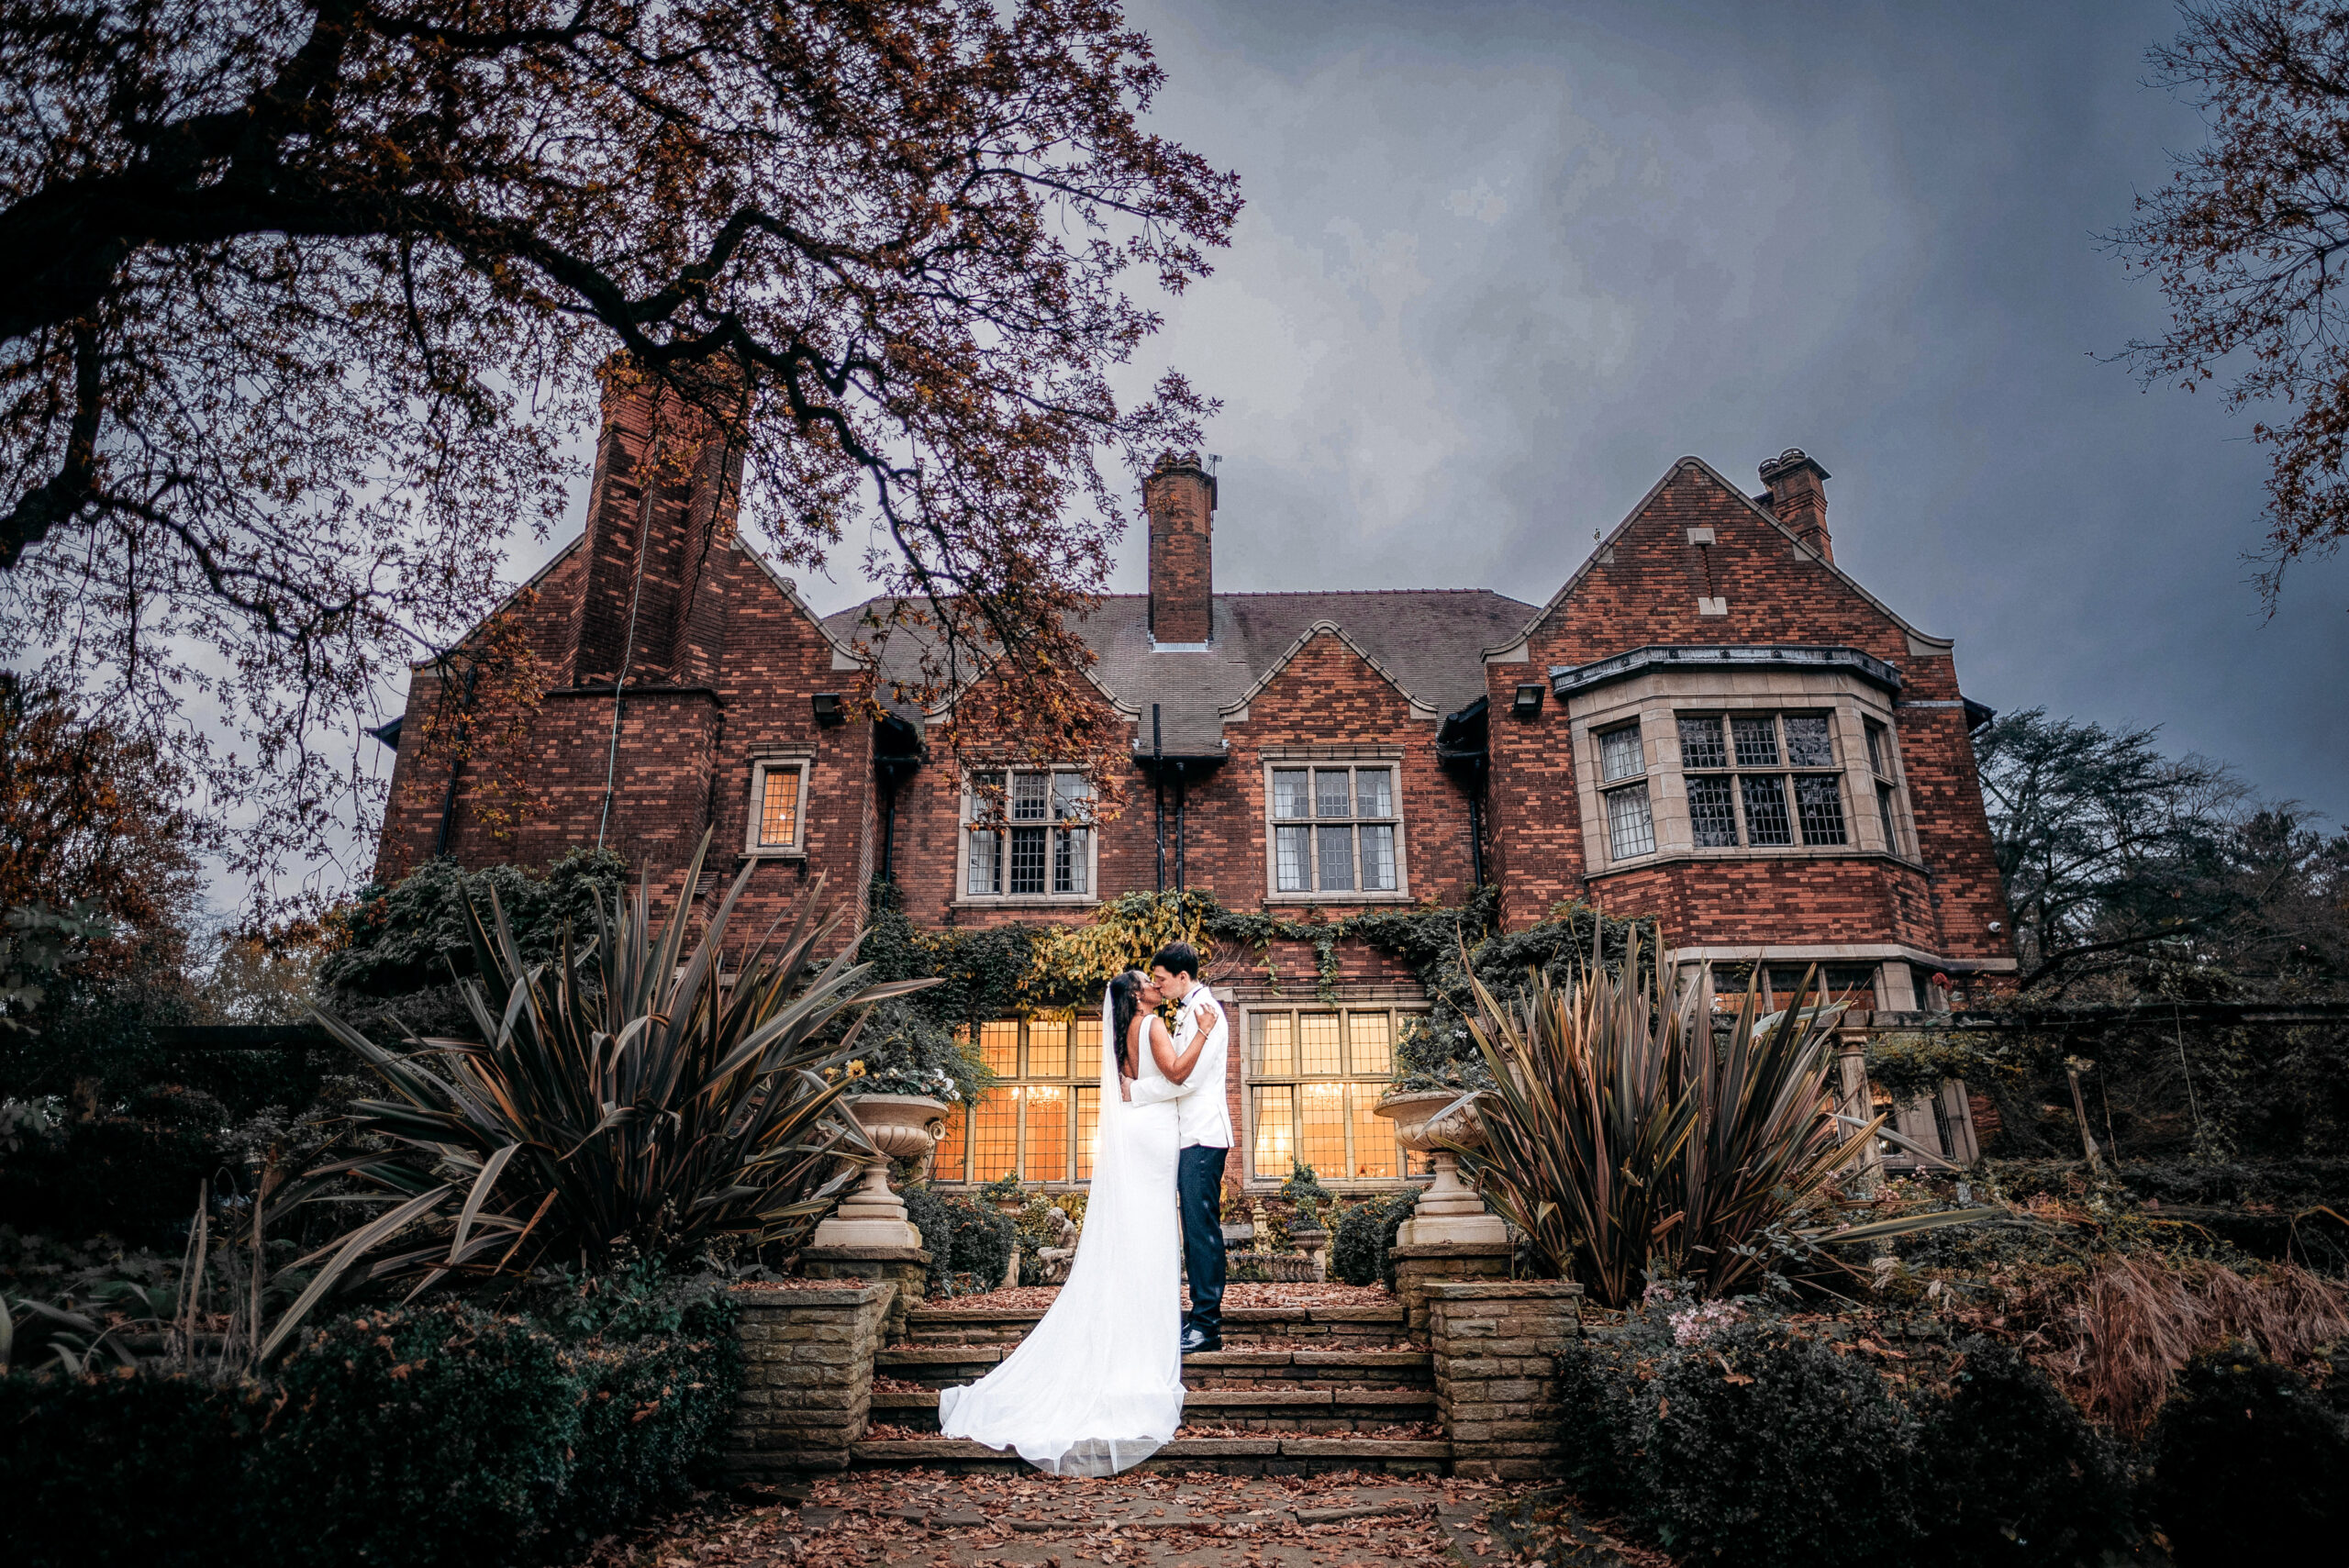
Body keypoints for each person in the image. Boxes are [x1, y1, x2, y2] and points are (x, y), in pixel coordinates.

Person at [935, 969, 1187, 1475]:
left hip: (1139, 1132)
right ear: (1137, 996)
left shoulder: (1122, 1037)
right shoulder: (1152, 1025)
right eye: (1149, 982)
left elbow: (1133, 1084)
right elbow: (1178, 1076)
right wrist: (1202, 1035)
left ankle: (1132, 1321)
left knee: (1139, 1233)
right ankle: (1144, 1333)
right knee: (1153, 1234)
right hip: (1156, 1133)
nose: (1157, 986)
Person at [1122, 941, 1232, 1354]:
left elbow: (1184, 1080)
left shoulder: (1209, 1013)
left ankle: (1207, 1325)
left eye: (1163, 979)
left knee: (1201, 1231)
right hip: (1187, 1136)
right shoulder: (1188, 1010)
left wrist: (1134, 1091)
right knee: (1194, 1229)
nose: (1158, 985)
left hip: (1203, 1135)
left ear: (1182, 977)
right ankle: (1199, 1320)